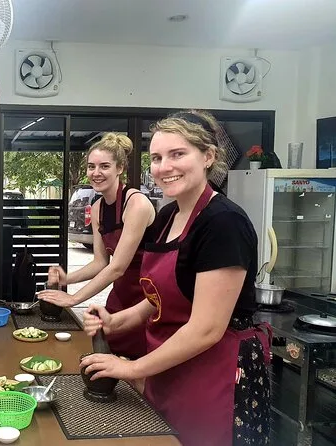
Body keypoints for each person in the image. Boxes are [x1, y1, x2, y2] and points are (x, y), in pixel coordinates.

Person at [80, 110, 271, 446]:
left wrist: (131, 368)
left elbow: (206, 329)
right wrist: (115, 321)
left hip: (215, 373)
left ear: (208, 156)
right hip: (169, 366)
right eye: (156, 158)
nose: (164, 167)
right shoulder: (168, 215)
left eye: (177, 154)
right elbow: (160, 297)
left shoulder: (223, 223)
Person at [37, 133, 155, 359]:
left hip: (147, 299)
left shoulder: (136, 204)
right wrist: (66, 280)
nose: (96, 172)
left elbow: (117, 267)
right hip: (120, 297)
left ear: (120, 168)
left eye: (104, 166)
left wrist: (74, 299)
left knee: (141, 364)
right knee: (110, 356)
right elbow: (100, 262)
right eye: (91, 166)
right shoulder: (98, 207)